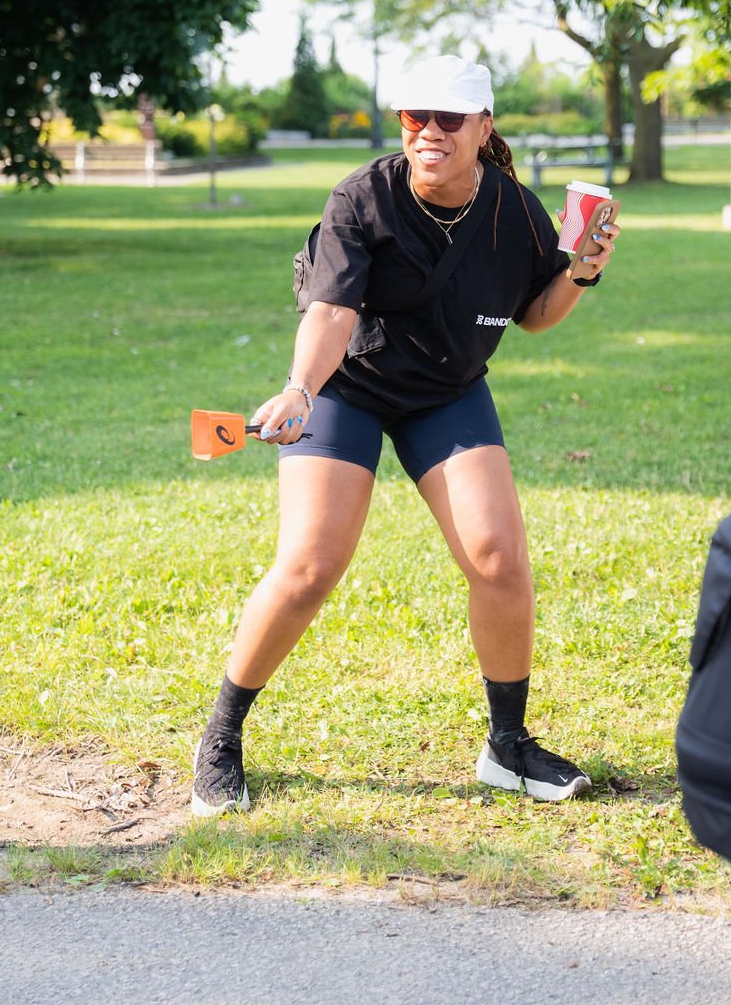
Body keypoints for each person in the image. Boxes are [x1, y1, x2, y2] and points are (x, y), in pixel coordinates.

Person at [192, 55, 619, 816]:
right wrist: (300, 388)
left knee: (498, 558)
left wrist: (580, 272)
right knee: (310, 565)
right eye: (415, 117)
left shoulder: (516, 211)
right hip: (345, 387)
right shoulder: (361, 197)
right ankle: (221, 737)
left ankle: (507, 746)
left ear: (483, 127)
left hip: (446, 392)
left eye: (449, 119)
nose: (430, 132)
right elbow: (330, 311)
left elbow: (535, 313)